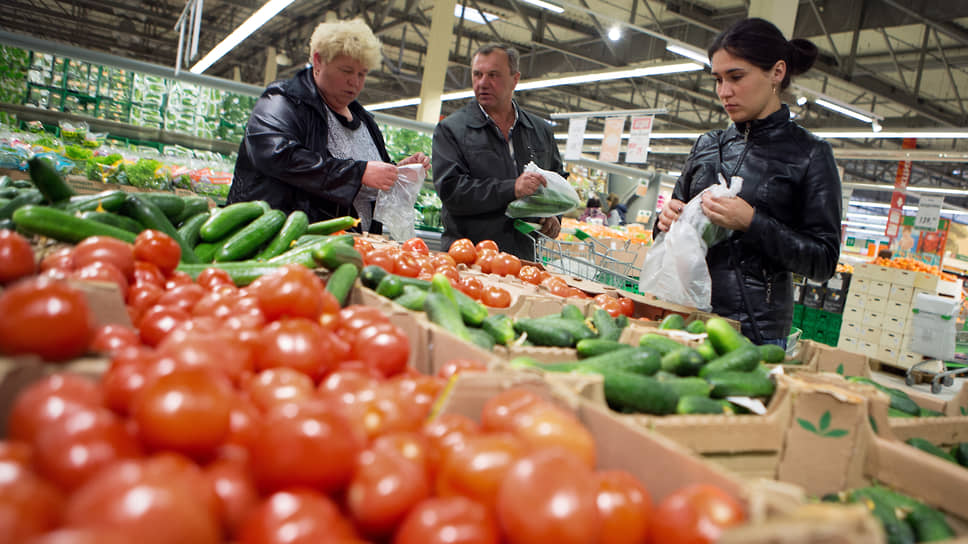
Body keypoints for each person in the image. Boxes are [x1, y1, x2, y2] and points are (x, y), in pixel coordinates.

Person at [654, 18, 841, 347]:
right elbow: (667, 228)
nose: (724, 92)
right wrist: (667, 220)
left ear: (777, 73)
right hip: (684, 315)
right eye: (718, 79)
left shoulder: (809, 154)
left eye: (736, 77)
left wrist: (752, 223)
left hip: (755, 332)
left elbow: (823, 260)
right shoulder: (707, 145)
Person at [227, 18, 430, 232]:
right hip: (281, 239)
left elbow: (368, 181)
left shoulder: (364, 120)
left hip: (348, 246)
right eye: (346, 71)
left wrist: (396, 172)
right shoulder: (284, 99)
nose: (355, 82)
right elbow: (277, 155)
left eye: (362, 74)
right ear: (318, 61)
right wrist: (358, 173)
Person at [433, 43, 565, 260]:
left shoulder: (540, 131)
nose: (483, 83)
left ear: (515, 79)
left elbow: (558, 181)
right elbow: (452, 191)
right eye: (477, 75)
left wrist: (554, 215)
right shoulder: (452, 130)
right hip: (469, 258)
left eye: (493, 75)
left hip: (523, 259)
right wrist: (511, 189)